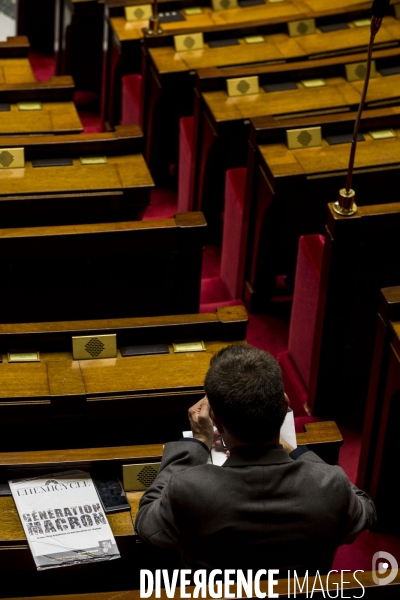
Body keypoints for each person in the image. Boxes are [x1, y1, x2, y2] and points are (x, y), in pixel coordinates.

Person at [135, 344, 376, 574]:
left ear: (215, 421)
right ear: (284, 407)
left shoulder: (187, 489)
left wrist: (197, 442)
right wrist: (294, 450)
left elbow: (147, 522)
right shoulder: (332, 485)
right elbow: (365, 508)